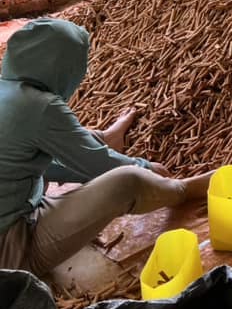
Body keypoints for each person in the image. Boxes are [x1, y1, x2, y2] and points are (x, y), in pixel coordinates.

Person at [0, 19, 212, 275]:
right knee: (128, 181)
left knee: (51, 143)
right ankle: (182, 190)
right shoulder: (39, 106)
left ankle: (106, 138)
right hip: (10, 252)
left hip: (16, 208)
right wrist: (144, 167)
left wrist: (98, 152)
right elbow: (98, 166)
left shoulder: (9, 92)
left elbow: (40, 161)